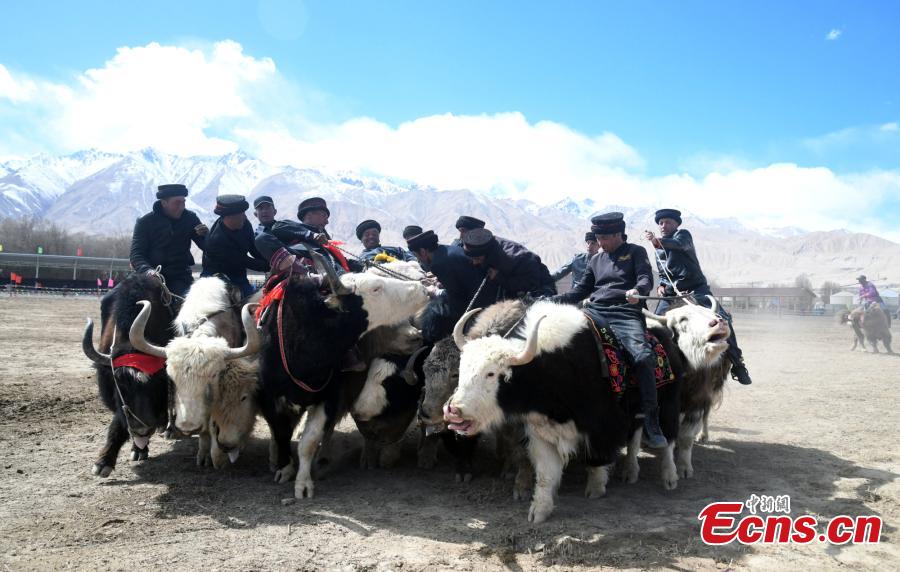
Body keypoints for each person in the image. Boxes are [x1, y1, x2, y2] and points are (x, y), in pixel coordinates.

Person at [552, 212, 667, 448]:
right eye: (598, 238)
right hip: (594, 311)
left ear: (617, 234)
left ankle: (651, 422)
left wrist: (638, 291)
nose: (600, 243)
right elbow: (579, 291)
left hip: (625, 312)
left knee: (642, 357)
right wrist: (549, 300)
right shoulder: (596, 260)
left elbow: (645, 278)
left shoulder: (636, 252)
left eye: (604, 238)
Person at [643, 208, 752, 385]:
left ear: (676, 224)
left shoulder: (683, 236)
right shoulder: (659, 249)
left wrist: (657, 241)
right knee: (655, 325)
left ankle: (738, 364)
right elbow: (664, 274)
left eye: (668, 222)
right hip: (671, 295)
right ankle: (655, 366)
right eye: (661, 223)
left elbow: (679, 245)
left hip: (696, 290)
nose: (663, 226)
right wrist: (662, 286)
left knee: (722, 319)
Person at [130, 183, 208, 297]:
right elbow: (136, 254)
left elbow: (207, 247)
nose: (181, 207)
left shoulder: (190, 218)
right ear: (164, 203)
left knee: (186, 303)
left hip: (179, 277)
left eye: (183, 202)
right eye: (177, 203)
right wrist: (148, 271)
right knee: (110, 299)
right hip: (148, 277)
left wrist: (207, 236)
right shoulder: (145, 222)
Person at [254, 196, 358, 276]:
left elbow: (339, 257)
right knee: (261, 239)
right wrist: (311, 235)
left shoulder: (323, 236)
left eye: (268, 207)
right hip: (299, 261)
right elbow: (277, 228)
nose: (327, 222)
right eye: (324, 216)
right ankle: (305, 273)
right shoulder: (285, 226)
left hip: (329, 267)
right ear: (309, 215)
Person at [406, 229, 491, 319]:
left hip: (480, 302)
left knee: (431, 315)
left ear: (423, 252)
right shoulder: (446, 250)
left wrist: (435, 292)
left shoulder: (438, 264)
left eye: (416, 256)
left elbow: (457, 296)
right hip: (487, 291)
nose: (418, 260)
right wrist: (439, 282)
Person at [200, 194, 269, 297]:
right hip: (214, 277)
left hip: (238, 273)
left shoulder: (244, 224)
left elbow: (254, 248)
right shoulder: (216, 240)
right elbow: (243, 260)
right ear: (230, 217)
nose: (245, 217)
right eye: (241, 214)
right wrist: (270, 267)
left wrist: (271, 261)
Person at [462, 228, 556, 300]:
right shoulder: (483, 243)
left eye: (477, 258)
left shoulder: (517, 258)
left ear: (487, 253)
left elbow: (530, 283)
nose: (474, 263)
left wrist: (499, 277)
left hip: (539, 290)